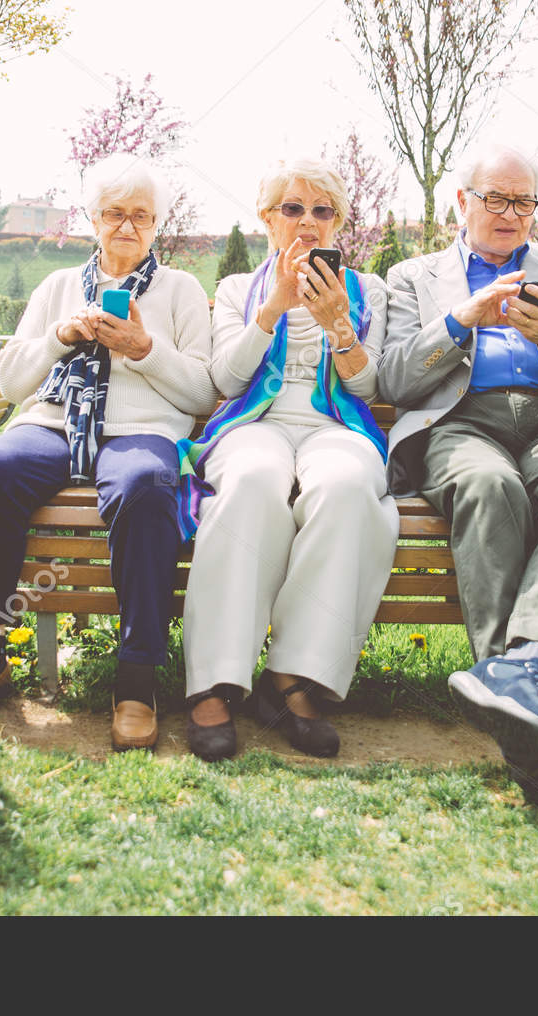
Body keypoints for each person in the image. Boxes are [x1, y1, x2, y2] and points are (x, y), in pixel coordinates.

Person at [377, 141, 538, 800]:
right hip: (460, 420)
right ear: (463, 202)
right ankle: (524, 707)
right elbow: (397, 379)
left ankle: (524, 675)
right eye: (497, 199)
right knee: (491, 488)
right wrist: (461, 320)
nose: (511, 214)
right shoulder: (414, 276)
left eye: (523, 202)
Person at [0, 154, 218, 751]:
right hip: (51, 421)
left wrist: (145, 349)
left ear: (157, 225)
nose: (127, 227)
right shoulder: (58, 287)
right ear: (92, 219)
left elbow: (205, 390)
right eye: (114, 214)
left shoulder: (181, 290)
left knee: (147, 488)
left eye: (141, 216)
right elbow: (10, 385)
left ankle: (136, 680)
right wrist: (60, 337)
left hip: (141, 431)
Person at [177, 158, 396, 762]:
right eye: (293, 209)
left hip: (336, 424)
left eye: (322, 211)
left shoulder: (368, 290)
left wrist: (338, 329)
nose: (307, 223)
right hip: (257, 422)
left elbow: (368, 390)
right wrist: (273, 306)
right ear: (267, 218)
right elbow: (225, 377)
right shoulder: (234, 290)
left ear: (339, 223)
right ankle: (215, 683)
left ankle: (293, 679)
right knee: (251, 481)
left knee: (349, 487)